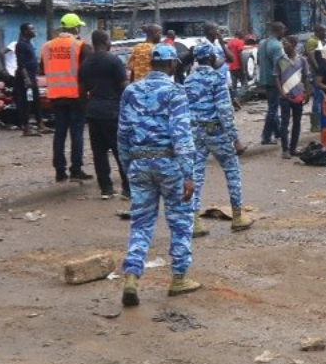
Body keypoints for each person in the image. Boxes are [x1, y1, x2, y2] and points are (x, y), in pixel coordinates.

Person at [118, 43, 201, 307]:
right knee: (180, 220)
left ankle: (131, 275)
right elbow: (181, 134)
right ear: (172, 65)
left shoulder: (130, 91)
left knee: (140, 223)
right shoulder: (175, 92)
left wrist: (127, 168)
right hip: (170, 165)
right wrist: (189, 173)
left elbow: (122, 134)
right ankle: (179, 278)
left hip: (139, 164)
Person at [185, 41, 253, 236]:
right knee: (231, 170)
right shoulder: (217, 78)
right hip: (216, 131)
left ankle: (195, 221)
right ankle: (238, 216)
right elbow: (224, 111)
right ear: (213, 58)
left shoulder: (189, 80)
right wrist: (235, 139)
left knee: (195, 174)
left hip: (195, 131)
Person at [41, 13, 92, 183]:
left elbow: (42, 70)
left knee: (60, 133)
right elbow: (86, 73)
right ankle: (76, 169)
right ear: (76, 28)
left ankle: (60, 171)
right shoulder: (80, 46)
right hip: (76, 96)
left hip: (55, 95)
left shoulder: (46, 46)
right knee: (76, 133)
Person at [78, 30, 129, 199]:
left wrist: (88, 108)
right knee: (120, 150)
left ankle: (106, 189)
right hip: (113, 111)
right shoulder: (113, 61)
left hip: (94, 112)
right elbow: (124, 86)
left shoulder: (85, 63)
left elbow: (81, 91)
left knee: (99, 152)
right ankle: (127, 188)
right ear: (105, 41)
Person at [275, 35, 309, 158]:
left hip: (298, 95)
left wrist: (307, 93)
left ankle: (293, 148)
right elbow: (277, 77)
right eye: (283, 44)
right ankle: (285, 149)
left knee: (297, 122)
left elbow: (305, 77)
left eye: (286, 44)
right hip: (285, 96)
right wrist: (281, 92)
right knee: (285, 122)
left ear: (294, 45)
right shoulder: (281, 60)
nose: (284, 46)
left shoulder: (302, 60)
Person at [14, 22, 46, 137]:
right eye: (31, 29)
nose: (34, 30)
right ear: (25, 32)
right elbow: (21, 64)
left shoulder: (29, 44)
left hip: (32, 78)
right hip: (24, 79)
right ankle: (26, 128)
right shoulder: (21, 45)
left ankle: (40, 125)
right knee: (26, 103)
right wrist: (26, 78)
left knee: (36, 101)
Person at [256, 22, 285, 146]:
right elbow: (281, 65)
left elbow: (258, 60)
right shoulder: (277, 45)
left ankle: (278, 132)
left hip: (264, 78)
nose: (284, 32)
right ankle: (266, 136)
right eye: (283, 30)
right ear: (279, 30)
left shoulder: (262, 43)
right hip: (275, 81)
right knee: (273, 109)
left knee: (272, 105)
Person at [305, 24, 326, 133]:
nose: (325, 33)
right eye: (324, 31)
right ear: (318, 31)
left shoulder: (318, 41)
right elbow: (311, 57)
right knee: (317, 98)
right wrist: (319, 70)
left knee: (322, 97)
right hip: (316, 74)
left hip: (320, 73)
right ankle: (315, 125)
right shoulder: (312, 41)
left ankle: (321, 121)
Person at [226, 30, 246, 96]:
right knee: (244, 83)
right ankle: (241, 97)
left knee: (234, 85)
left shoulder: (229, 42)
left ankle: (234, 98)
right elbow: (240, 55)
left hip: (231, 66)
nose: (243, 37)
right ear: (239, 34)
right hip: (238, 66)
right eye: (242, 35)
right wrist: (243, 68)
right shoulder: (240, 42)